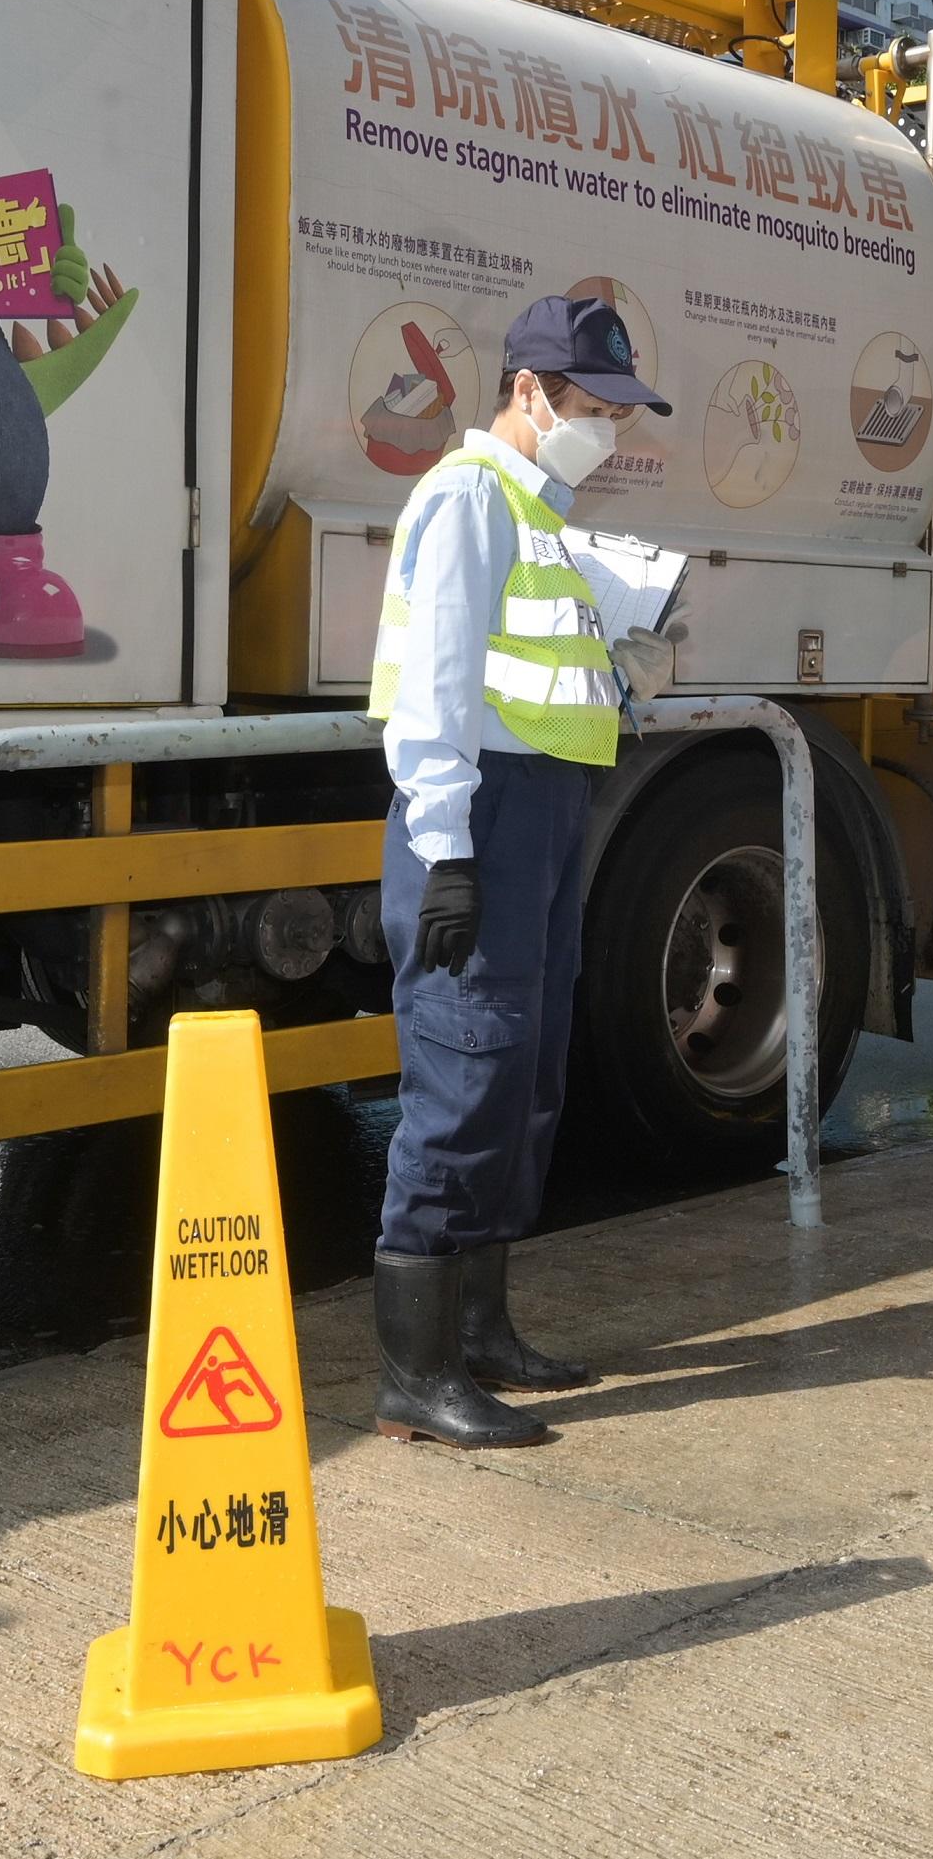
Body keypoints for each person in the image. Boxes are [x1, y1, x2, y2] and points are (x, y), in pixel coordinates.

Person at [362, 295, 674, 1447]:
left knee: (526, 1072)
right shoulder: (466, 496)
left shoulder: (541, 515)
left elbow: (529, 672)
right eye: (590, 406)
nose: (607, 429)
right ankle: (416, 1372)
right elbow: (437, 685)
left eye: (616, 412)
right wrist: (444, 848)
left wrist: (625, 665)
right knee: (465, 1068)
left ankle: (482, 1330)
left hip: (540, 809)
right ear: (529, 392)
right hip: (477, 815)